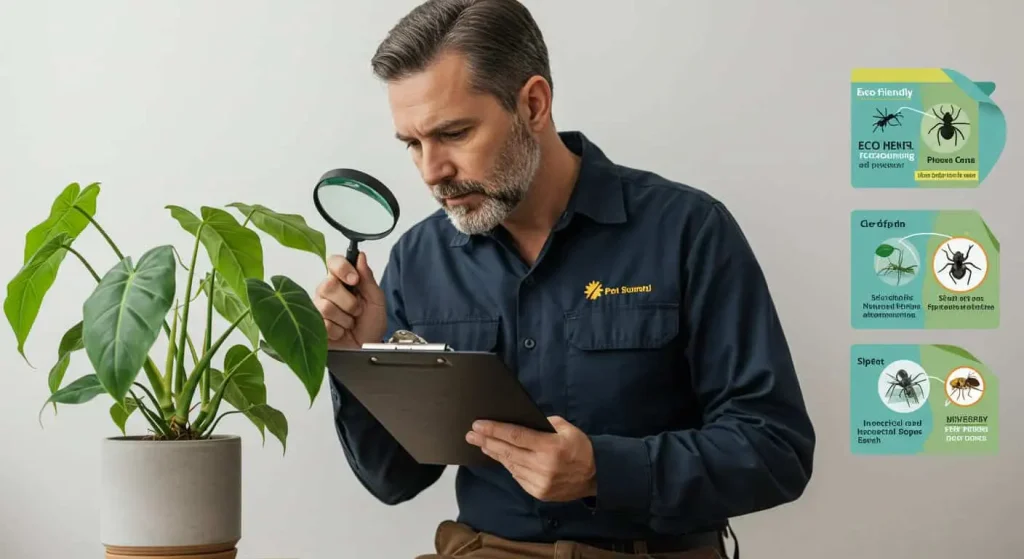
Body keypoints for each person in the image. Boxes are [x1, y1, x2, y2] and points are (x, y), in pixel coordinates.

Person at [314, 0, 815, 557]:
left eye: (454, 133)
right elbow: (394, 481)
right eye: (412, 143)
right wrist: (364, 357)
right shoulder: (419, 258)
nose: (432, 171)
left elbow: (777, 449)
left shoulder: (689, 232)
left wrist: (606, 471)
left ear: (533, 103)